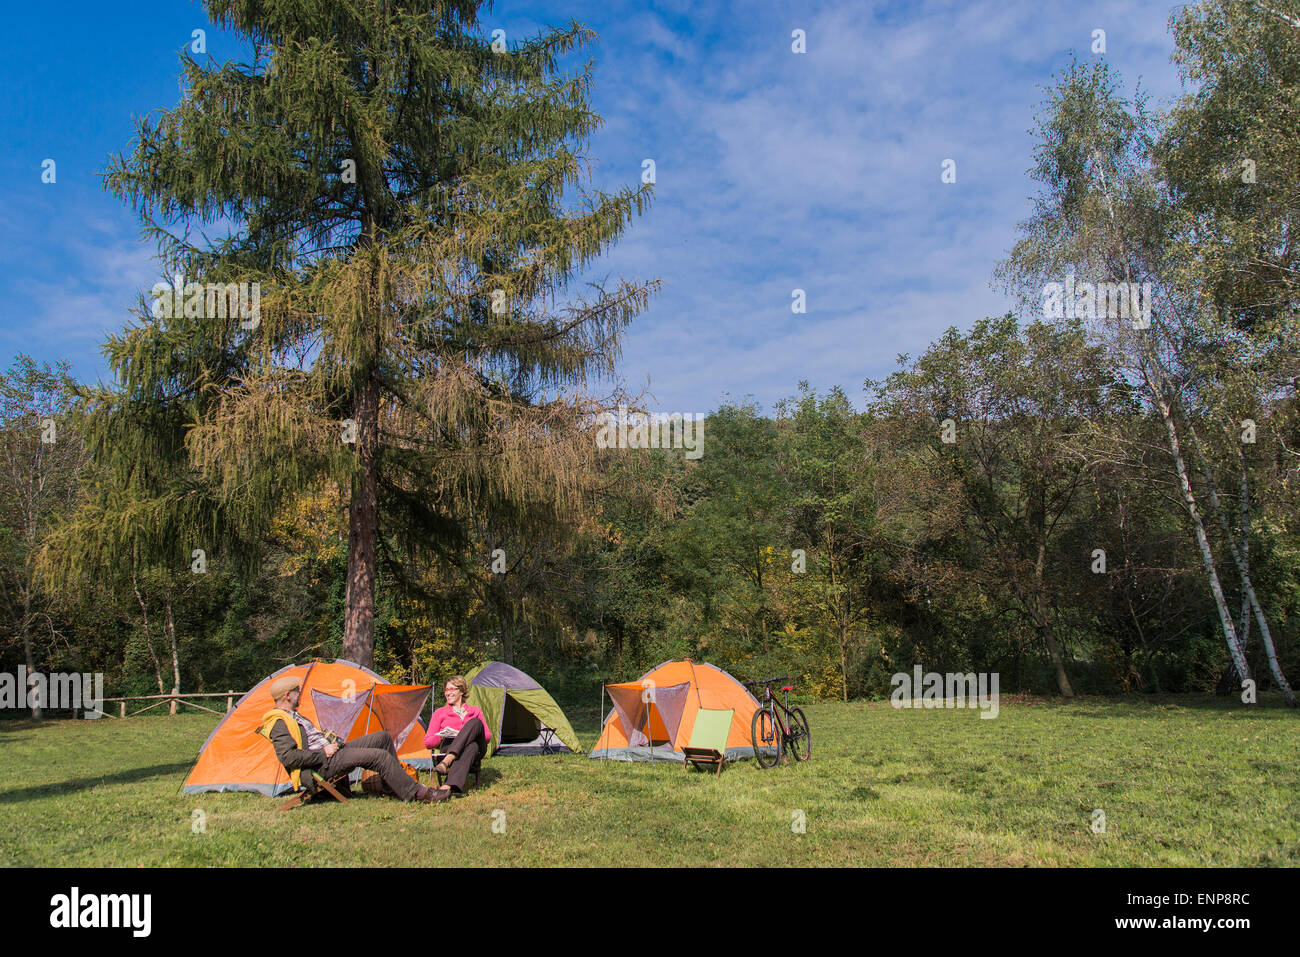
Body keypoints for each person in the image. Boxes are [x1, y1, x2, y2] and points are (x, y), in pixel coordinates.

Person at [262, 675, 437, 804]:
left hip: (332, 753)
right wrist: (323, 752)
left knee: (382, 737)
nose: (299, 695)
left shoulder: (293, 716)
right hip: (322, 764)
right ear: (287, 695)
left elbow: (309, 739)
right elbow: (288, 757)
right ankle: (417, 793)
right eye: (297, 692)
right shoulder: (278, 722)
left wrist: (327, 740)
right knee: (379, 757)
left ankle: (392, 786)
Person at [423, 675, 492, 802]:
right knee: (471, 746)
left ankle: (447, 761)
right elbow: (428, 742)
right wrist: (442, 735)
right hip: (453, 745)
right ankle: (448, 786)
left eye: (452, 689)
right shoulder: (440, 713)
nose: (448, 693)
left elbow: (487, 736)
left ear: (461, 691)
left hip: (477, 749)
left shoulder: (475, 711)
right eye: (446, 690)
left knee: (475, 723)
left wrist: (465, 734)